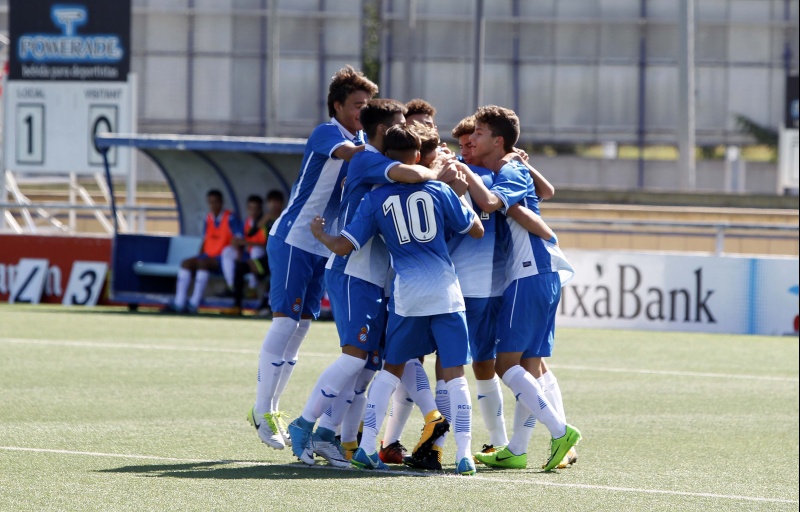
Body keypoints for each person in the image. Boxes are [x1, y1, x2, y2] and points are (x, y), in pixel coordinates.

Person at [311, 124, 484, 476]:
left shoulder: (374, 199)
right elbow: (476, 229)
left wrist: (321, 234)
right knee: (455, 376)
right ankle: (464, 455)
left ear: (386, 159)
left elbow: (345, 246)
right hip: (445, 294)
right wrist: (461, 194)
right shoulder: (438, 189)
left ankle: (365, 447)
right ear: (418, 157)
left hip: (407, 298)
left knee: (390, 372)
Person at [287, 99, 451, 468]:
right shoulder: (367, 158)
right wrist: (436, 167)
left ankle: (330, 435)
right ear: (382, 130)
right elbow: (414, 175)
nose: (403, 126)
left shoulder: (378, 160)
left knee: (367, 366)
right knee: (355, 356)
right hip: (352, 270)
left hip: (375, 274)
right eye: (398, 123)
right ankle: (304, 424)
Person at [248, 66, 378, 451]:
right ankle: (261, 410)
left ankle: (272, 409)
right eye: (357, 106)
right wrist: (385, 142)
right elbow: (354, 155)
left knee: (301, 328)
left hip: (320, 246)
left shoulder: (359, 137)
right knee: (285, 322)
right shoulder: (329, 133)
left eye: (367, 107)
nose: (362, 113)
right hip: (293, 238)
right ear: (337, 106)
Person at [463, 105, 581, 471]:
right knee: (532, 366)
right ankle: (517, 448)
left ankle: (561, 432)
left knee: (505, 365)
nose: (472, 139)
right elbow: (541, 194)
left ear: (498, 141)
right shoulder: (511, 167)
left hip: (529, 274)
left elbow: (491, 202)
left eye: (479, 134)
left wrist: (463, 171)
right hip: (539, 274)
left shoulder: (510, 170)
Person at [162, 189, 242, 314]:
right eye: (210, 202)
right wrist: (199, 255)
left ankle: (194, 303)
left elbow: (239, 238)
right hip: (207, 256)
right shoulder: (208, 218)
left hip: (222, 259)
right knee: (186, 263)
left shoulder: (231, 218)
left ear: (221, 203)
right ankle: (179, 302)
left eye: (215, 202)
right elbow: (205, 239)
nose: (213, 205)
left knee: (202, 264)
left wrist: (238, 257)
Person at [222, 190, 286, 317]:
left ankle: (266, 306)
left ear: (282, 204)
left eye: (277, 203)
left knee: (276, 272)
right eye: (271, 203)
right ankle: (237, 306)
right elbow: (251, 233)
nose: (274, 206)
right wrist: (264, 220)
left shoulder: (286, 217)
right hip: (268, 258)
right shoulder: (266, 219)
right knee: (240, 268)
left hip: (282, 258)